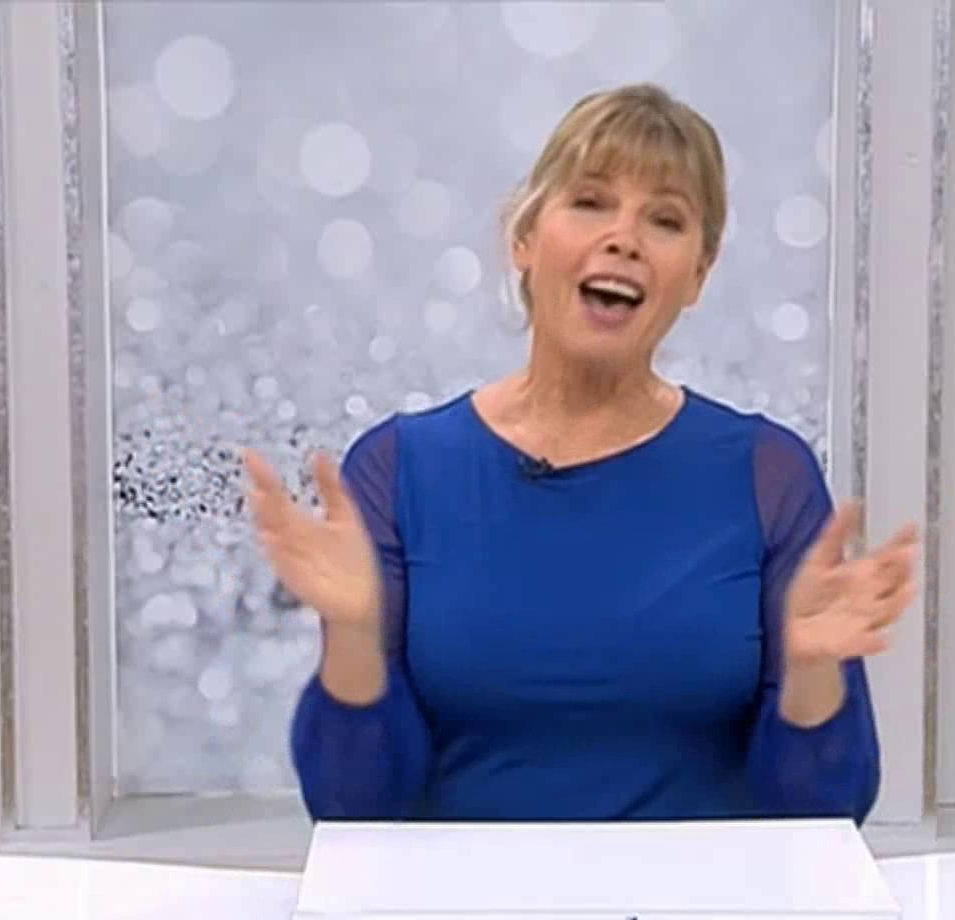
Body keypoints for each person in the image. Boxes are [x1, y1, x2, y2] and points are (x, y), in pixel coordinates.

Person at [241, 84, 918, 825]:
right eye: (591, 202)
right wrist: (353, 638)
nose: (624, 238)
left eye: (665, 219)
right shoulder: (399, 469)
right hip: (465, 898)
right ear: (524, 239)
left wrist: (812, 673)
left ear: (697, 275)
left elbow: (825, 812)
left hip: (692, 900)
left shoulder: (768, 476)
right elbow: (353, 807)